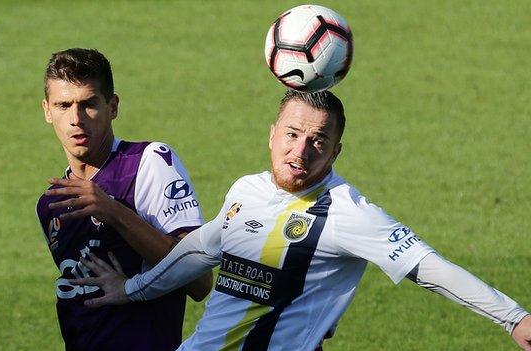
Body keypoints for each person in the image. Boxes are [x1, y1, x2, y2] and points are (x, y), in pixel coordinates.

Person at [69, 90, 531, 351]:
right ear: (272, 135)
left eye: (317, 141)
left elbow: (430, 269)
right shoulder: (245, 190)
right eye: (292, 134)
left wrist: (514, 319)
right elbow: (199, 250)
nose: (301, 151)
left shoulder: (348, 212)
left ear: (335, 151)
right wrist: (130, 290)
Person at [35, 48, 212, 350]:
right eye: (63, 105)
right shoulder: (50, 204)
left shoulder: (148, 162)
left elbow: (199, 280)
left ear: (112, 106)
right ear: (47, 111)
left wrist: (112, 211)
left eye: (89, 104)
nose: (75, 119)